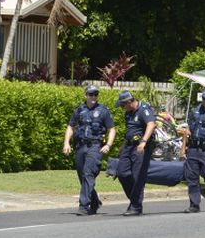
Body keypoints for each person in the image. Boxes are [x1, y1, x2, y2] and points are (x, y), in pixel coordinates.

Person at [63, 85, 116, 215]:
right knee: (82, 176)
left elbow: (112, 129)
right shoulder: (79, 110)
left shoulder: (103, 111)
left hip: (95, 146)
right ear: (85, 95)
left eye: (95, 94)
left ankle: (83, 206)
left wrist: (108, 145)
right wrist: (66, 143)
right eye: (90, 94)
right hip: (80, 146)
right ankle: (95, 201)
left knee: (88, 173)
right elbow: (71, 127)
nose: (93, 97)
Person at [115, 90, 156, 216]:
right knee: (121, 173)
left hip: (141, 147)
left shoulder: (143, 109)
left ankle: (135, 206)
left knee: (137, 176)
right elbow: (130, 131)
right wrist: (122, 146)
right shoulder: (128, 113)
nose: (122, 108)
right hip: (129, 146)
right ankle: (134, 200)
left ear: (129, 102)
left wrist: (143, 142)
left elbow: (151, 124)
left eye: (123, 105)